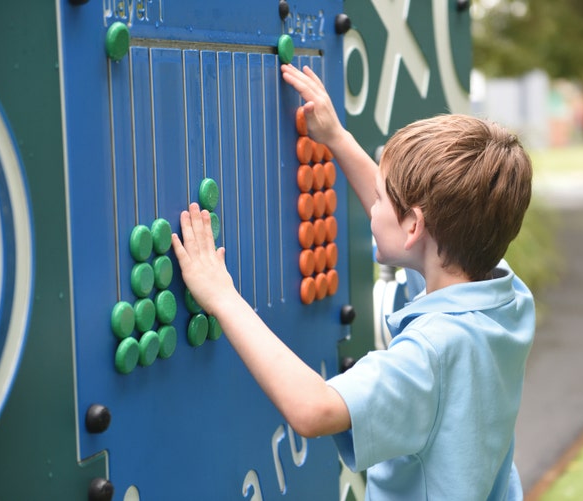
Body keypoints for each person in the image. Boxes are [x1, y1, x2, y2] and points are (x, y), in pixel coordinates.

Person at [171, 64, 535, 500]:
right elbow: (411, 230)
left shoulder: (431, 354)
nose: (373, 205)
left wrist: (221, 295)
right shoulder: (504, 296)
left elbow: (313, 409)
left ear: (414, 226)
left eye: (380, 198)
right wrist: (337, 139)